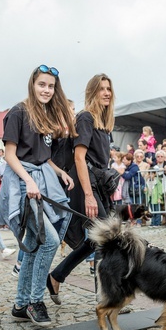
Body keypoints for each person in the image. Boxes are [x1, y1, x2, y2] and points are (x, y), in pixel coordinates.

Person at [0, 64, 76, 326]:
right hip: (22, 184)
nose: (47, 90)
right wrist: (29, 181)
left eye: (51, 86)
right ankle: (35, 301)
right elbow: (10, 155)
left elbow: (43, 156)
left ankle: (20, 303)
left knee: (35, 245)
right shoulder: (18, 112)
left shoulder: (46, 115)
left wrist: (59, 171)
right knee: (48, 241)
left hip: (42, 180)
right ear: (33, 84)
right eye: (42, 84)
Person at [47, 73, 115, 306]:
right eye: (101, 89)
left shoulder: (104, 123)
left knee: (96, 240)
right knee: (107, 237)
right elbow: (79, 158)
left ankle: (56, 276)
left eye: (109, 89)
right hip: (86, 184)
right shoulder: (85, 117)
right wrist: (88, 195)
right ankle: (103, 300)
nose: (106, 92)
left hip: (99, 184)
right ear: (92, 92)